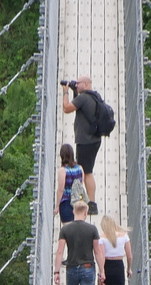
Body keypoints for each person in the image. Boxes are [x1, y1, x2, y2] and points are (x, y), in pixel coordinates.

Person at [62, 76, 102, 214]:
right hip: (94, 140)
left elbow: (67, 108)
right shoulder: (94, 97)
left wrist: (66, 92)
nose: (76, 85)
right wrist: (75, 91)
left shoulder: (83, 98)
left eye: (78, 83)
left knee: (86, 172)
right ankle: (86, 201)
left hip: (85, 141)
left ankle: (90, 204)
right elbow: (79, 107)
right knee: (86, 170)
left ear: (86, 84)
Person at [55, 143, 85, 224]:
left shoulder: (63, 170)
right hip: (78, 203)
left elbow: (61, 189)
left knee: (68, 231)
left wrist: (57, 206)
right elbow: (80, 185)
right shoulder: (80, 168)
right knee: (78, 230)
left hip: (66, 203)